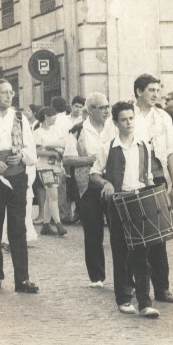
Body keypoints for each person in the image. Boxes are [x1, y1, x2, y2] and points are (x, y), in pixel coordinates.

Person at [90, 101, 160, 318]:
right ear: (115, 122)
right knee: (120, 251)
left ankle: (145, 302)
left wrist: (152, 201)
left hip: (139, 201)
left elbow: (147, 177)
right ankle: (123, 298)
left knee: (142, 254)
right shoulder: (107, 148)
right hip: (118, 203)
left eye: (131, 118)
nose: (128, 123)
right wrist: (106, 184)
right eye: (123, 119)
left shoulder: (143, 146)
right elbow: (94, 174)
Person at [0, 79, 39, 293]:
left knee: (18, 227)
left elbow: (32, 152)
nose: (8, 96)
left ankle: (22, 279)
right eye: (3, 92)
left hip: (17, 177)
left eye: (11, 92)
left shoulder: (20, 118)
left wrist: (21, 156)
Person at [133, 74, 173, 304]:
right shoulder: (127, 114)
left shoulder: (163, 118)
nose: (155, 94)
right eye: (151, 90)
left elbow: (171, 151)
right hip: (134, 182)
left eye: (157, 90)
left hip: (159, 179)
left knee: (159, 237)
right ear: (139, 91)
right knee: (136, 238)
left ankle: (162, 288)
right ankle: (137, 286)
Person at [64, 92, 116, 287]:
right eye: (102, 108)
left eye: (107, 107)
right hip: (87, 187)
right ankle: (97, 276)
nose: (106, 111)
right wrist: (91, 159)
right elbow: (67, 159)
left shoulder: (114, 128)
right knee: (93, 232)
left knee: (118, 230)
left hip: (111, 184)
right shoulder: (77, 131)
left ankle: (125, 274)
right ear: (91, 110)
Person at [33, 107, 67, 237]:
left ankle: (46, 225)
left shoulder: (56, 130)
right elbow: (37, 151)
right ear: (46, 116)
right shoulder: (37, 133)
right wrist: (53, 152)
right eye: (53, 116)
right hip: (44, 166)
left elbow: (63, 144)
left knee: (49, 195)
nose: (55, 118)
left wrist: (55, 150)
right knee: (53, 194)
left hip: (56, 165)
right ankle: (58, 224)